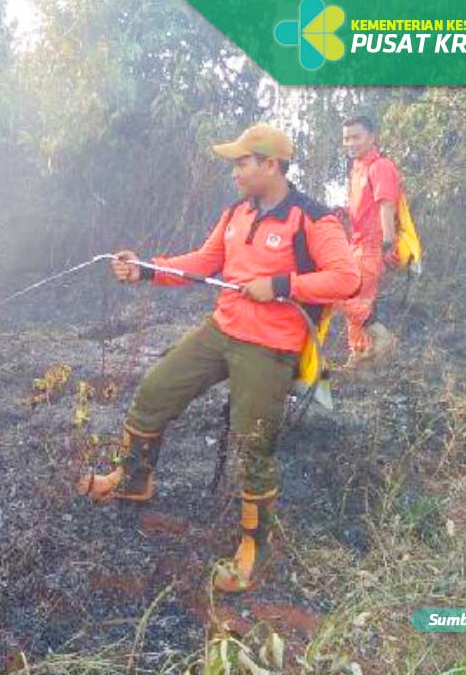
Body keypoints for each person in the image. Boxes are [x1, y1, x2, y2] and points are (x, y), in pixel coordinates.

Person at [79, 124, 359, 593]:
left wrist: (284, 285)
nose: (234, 171)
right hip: (221, 330)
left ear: (271, 165)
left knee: (253, 443)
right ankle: (133, 480)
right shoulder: (236, 212)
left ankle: (254, 546)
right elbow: (203, 262)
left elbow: (346, 278)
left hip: (270, 345)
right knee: (154, 391)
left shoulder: (312, 218)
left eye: (242, 163)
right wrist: (146, 270)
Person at [336, 114, 402, 366]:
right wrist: (344, 210)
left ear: (372, 138)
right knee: (355, 303)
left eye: (356, 137)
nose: (350, 143)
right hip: (356, 245)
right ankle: (360, 358)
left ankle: (381, 339)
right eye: (346, 138)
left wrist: (387, 244)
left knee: (341, 294)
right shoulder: (357, 168)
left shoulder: (380, 166)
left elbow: (386, 205)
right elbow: (364, 208)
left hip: (371, 247)